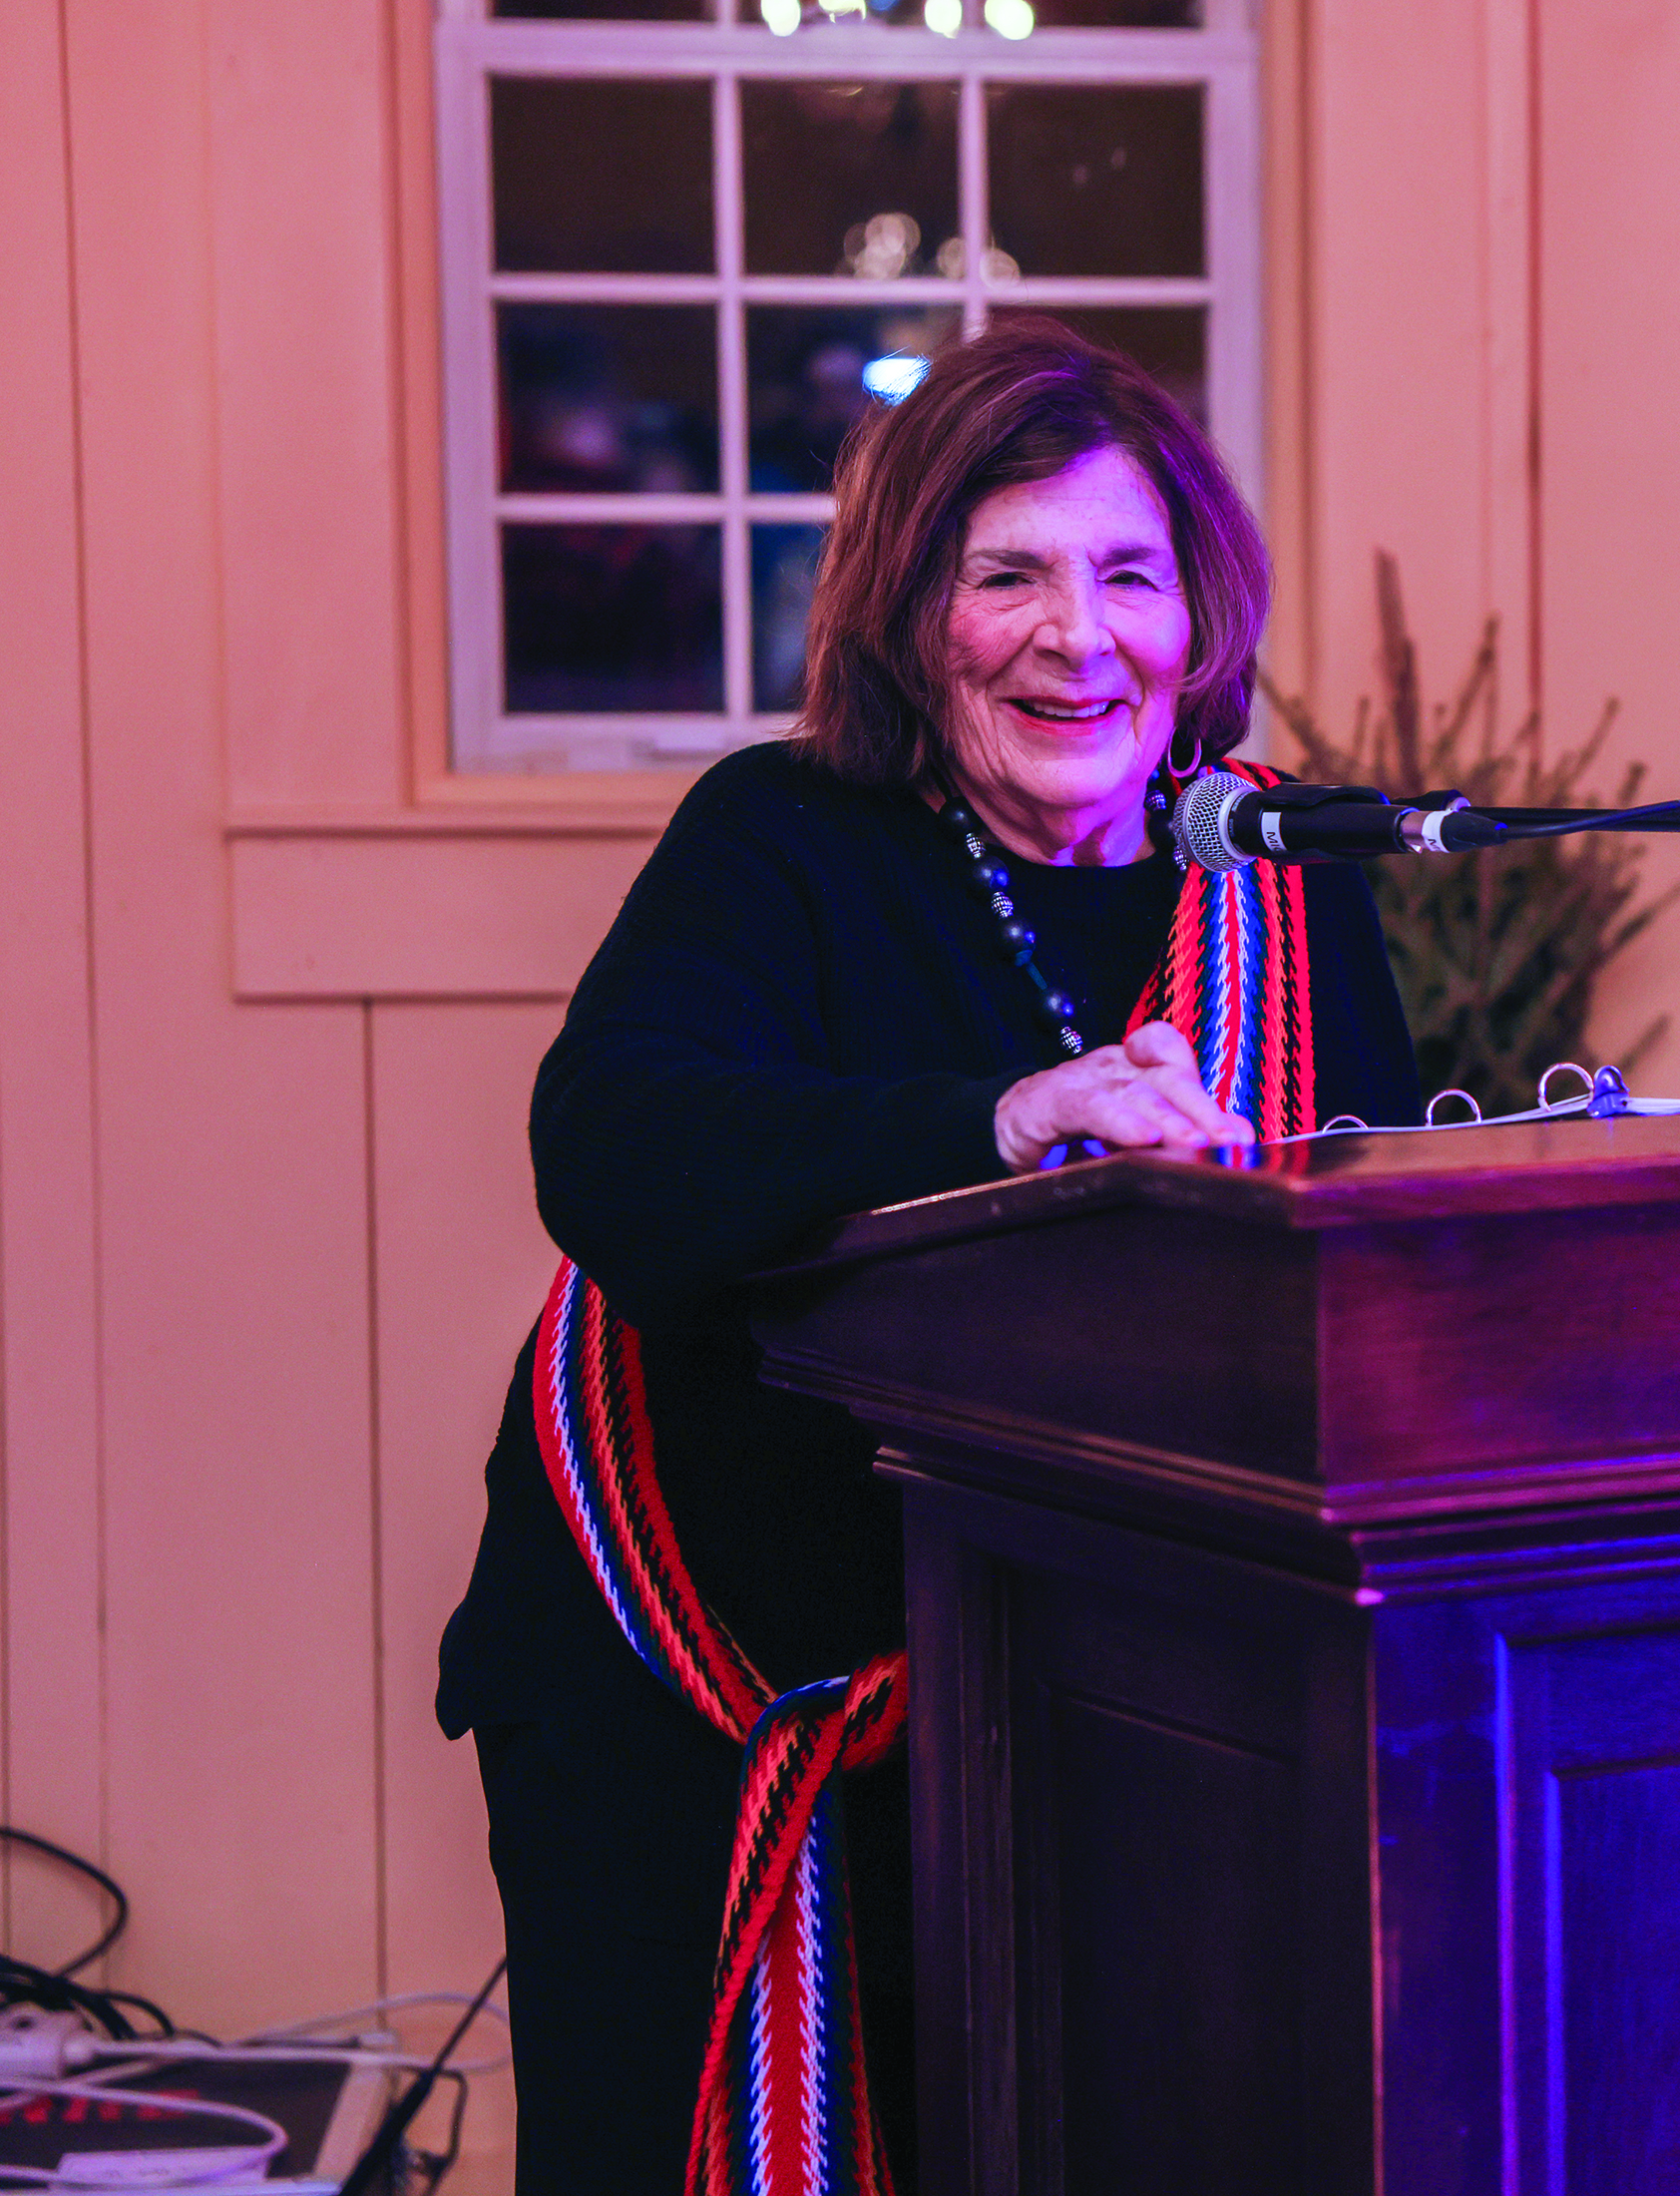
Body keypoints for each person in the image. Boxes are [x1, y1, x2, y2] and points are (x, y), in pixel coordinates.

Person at [437, 317, 1419, 2194]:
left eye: (1132, 574)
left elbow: (1354, 1246)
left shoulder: (1288, 872)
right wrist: (1005, 1115)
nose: (1081, 635)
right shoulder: (784, 835)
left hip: (1107, 1702)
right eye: (1010, 578)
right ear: (911, 608)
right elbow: (611, 1144)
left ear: (1198, 611)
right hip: (699, 1684)